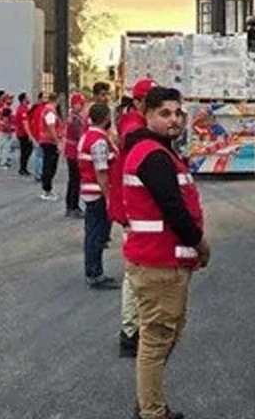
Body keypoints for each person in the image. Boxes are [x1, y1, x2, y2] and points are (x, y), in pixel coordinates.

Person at [123, 86, 209, 419]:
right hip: (160, 262)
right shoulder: (154, 155)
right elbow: (174, 209)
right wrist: (201, 244)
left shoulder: (155, 151)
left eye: (177, 113)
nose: (174, 120)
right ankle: (152, 412)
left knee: (162, 335)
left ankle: (148, 400)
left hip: (159, 260)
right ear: (148, 115)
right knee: (157, 339)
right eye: (165, 113)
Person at [113, 77, 158, 358]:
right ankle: (130, 333)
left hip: (132, 209)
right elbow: (131, 136)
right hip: (131, 211)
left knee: (138, 270)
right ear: (138, 103)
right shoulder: (134, 123)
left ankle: (135, 328)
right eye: (151, 103)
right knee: (134, 274)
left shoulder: (137, 121)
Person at [78, 102, 117, 289]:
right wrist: (109, 197)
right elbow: (102, 172)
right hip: (98, 192)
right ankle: (95, 273)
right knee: (97, 235)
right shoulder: (99, 141)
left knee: (92, 233)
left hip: (89, 191)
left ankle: (93, 271)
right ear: (107, 118)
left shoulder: (88, 136)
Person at [63, 91, 88, 219]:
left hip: (70, 152)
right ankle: (73, 207)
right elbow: (80, 136)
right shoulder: (76, 119)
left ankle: (70, 206)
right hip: (74, 153)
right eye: (80, 103)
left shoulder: (72, 117)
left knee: (73, 180)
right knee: (75, 180)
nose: (82, 106)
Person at [36, 93, 62, 201]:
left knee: (49, 165)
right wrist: (57, 142)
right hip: (49, 142)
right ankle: (47, 190)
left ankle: (47, 189)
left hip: (46, 141)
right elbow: (51, 127)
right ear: (56, 100)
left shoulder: (47, 109)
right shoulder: (50, 111)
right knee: (50, 166)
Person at [0, 90, 12, 167]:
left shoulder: (1, 104)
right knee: (0, 143)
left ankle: (1, 156)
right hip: (1, 127)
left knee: (0, 142)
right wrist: (0, 127)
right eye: (4, 95)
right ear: (1, 96)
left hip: (0, 127)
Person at [13, 93, 32, 176]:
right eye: (27, 98)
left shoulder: (23, 108)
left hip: (22, 133)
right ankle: (23, 169)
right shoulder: (23, 109)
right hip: (23, 134)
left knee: (25, 151)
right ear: (24, 99)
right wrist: (30, 135)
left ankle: (23, 168)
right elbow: (25, 124)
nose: (29, 99)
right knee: (26, 151)